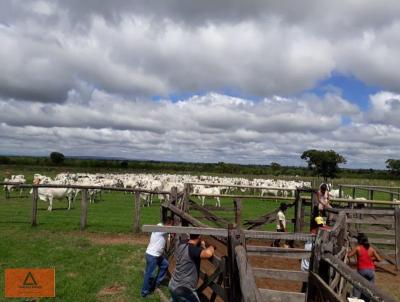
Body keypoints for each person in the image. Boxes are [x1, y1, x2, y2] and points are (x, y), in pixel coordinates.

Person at [169, 233, 215, 302]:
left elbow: (193, 246)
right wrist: (212, 247)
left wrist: (202, 246)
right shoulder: (193, 250)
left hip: (173, 284)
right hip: (183, 289)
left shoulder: (182, 244)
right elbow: (208, 254)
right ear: (199, 236)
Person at [141, 217, 173, 297]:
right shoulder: (161, 228)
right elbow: (171, 230)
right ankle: (144, 292)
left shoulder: (160, 226)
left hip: (157, 255)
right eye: (171, 224)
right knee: (149, 274)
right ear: (167, 223)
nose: (172, 226)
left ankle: (155, 284)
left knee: (164, 265)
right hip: (153, 255)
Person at [347, 234, 382, 301]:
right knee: (371, 288)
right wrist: (371, 259)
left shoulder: (358, 248)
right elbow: (379, 259)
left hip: (361, 270)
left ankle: (356, 299)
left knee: (357, 285)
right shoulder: (371, 249)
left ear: (359, 241)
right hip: (371, 271)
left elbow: (349, 255)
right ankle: (369, 299)